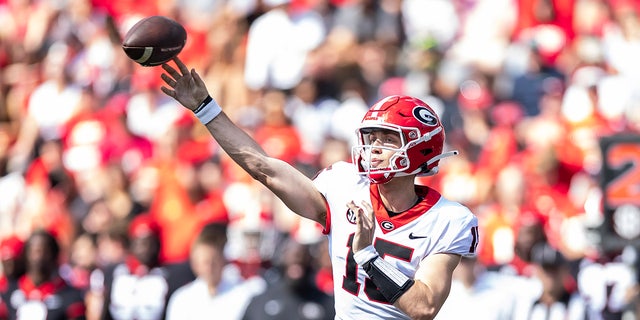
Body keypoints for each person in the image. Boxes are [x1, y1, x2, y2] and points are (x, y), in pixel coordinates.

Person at [159, 57, 479, 319]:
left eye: (387, 139)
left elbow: (423, 307)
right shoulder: (344, 185)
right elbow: (264, 168)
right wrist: (205, 108)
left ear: (420, 148)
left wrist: (368, 255)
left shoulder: (449, 219)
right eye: (372, 138)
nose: (375, 148)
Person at [165, 223, 265, 320]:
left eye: (213, 262)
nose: (209, 269)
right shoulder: (182, 299)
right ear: (194, 264)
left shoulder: (244, 294)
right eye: (204, 262)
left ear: (223, 261)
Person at [242, 236, 335, 320]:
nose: (298, 255)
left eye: (303, 253)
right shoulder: (260, 301)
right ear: (280, 258)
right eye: (290, 251)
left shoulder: (327, 302)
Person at [1, 229, 86, 320]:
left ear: (54, 255)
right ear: (26, 254)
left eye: (44, 251)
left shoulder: (70, 296)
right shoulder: (8, 292)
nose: (38, 257)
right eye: (34, 251)